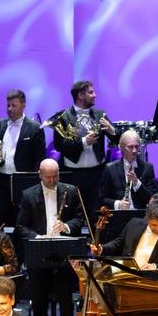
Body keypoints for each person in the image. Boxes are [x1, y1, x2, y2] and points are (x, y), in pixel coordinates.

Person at [16, 159, 84, 316]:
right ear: (40, 175)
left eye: (55, 176)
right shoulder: (28, 195)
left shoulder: (70, 191)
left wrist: (66, 226)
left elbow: (79, 219)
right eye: (48, 177)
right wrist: (39, 237)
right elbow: (21, 226)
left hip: (64, 251)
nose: (52, 180)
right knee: (39, 298)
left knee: (66, 298)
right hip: (39, 251)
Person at [51, 80, 116, 220]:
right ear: (80, 95)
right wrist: (83, 142)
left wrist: (113, 131)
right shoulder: (63, 117)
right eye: (91, 92)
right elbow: (59, 145)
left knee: (96, 216)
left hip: (96, 174)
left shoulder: (100, 114)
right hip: (73, 175)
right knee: (72, 215)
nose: (95, 95)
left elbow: (116, 140)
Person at [0, 89, 47, 222]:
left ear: (23, 106)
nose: (9, 109)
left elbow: (39, 158)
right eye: (8, 105)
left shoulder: (35, 128)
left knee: (21, 221)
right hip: (0, 181)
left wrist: (33, 183)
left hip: (23, 182)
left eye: (14, 106)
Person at [92, 200, 158, 271]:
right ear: (147, 219)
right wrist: (102, 248)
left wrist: (155, 267)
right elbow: (118, 243)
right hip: (125, 275)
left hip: (150, 282)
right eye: (153, 225)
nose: (157, 229)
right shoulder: (134, 224)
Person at [99, 130, 158, 210]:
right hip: (120, 214)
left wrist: (137, 183)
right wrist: (118, 204)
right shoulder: (110, 169)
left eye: (136, 147)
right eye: (130, 147)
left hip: (140, 214)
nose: (134, 150)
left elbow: (153, 199)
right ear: (121, 148)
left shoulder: (147, 168)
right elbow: (102, 198)